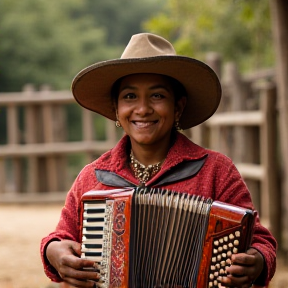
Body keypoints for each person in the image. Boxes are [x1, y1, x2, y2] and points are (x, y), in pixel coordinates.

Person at [40, 33, 276, 288]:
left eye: (157, 96)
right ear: (116, 109)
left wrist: (257, 261)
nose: (142, 109)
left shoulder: (216, 171)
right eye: (130, 96)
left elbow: (261, 242)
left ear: (178, 106)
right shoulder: (92, 176)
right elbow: (61, 237)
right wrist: (54, 252)